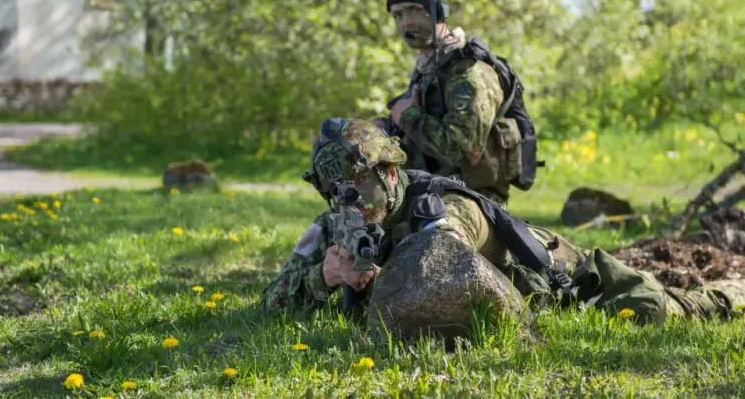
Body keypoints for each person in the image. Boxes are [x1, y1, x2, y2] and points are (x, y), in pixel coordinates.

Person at [259, 118, 745, 325]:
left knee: (654, 308)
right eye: (337, 191)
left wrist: (375, 279)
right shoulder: (336, 226)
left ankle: (731, 291)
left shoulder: (441, 208)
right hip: (508, 293)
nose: (351, 200)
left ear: (389, 173)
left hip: (560, 274)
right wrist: (325, 277)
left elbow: (442, 282)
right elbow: (270, 301)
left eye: (360, 183)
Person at [381, 0, 538, 206]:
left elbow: (463, 150)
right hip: (429, 193)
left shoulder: (468, 72)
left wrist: (408, 116)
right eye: (398, 15)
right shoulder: (428, 68)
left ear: (437, 10)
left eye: (414, 10)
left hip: (473, 200)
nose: (406, 23)